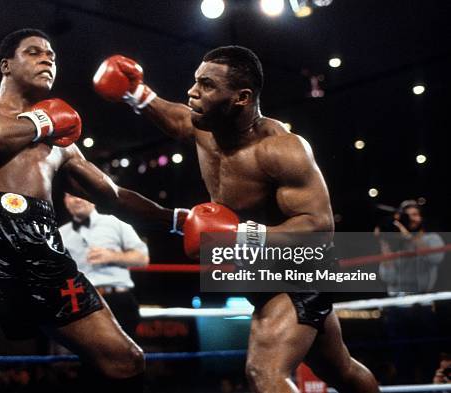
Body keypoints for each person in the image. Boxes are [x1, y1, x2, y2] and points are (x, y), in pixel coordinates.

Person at [0, 28, 178, 392]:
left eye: (53, 56)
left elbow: (114, 197)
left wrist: (177, 220)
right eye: (35, 52)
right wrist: (43, 122)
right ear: (6, 65)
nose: (48, 60)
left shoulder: (61, 142)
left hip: (40, 249)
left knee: (126, 361)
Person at [93, 48, 380, 392]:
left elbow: (319, 226)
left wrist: (240, 235)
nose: (192, 92)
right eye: (196, 82)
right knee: (340, 368)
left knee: (265, 374)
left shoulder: (281, 150)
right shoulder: (205, 128)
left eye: (207, 85)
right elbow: (176, 119)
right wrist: (135, 92)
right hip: (258, 274)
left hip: (297, 271)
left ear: (242, 98)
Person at [60, 193, 149, 338]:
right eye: (71, 196)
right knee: (88, 355)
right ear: (65, 201)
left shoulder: (116, 223)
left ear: (93, 200)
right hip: (81, 302)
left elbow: (142, 258)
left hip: (118, 299)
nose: (77, 199)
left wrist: (113, 256)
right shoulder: (60, 234)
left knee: (126, 355)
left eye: (81, 195)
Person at [378, 199, 445, 296]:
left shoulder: (432, 239)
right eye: (406, 216)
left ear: (421, 217)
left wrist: (409, 237)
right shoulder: (395, 243)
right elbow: (387, 277)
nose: (410, 219)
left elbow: (435, 258)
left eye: (414, 214)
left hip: (421, 298)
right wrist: (383, 241)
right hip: (396, 299)